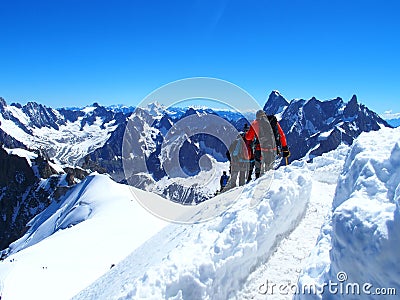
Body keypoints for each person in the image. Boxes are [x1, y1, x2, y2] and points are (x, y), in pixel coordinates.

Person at [245, 110, 290, 178]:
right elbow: (282, 135)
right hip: (272, 149)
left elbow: (248, 137)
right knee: (269, 169)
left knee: (258, 167)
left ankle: (257, 181)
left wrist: (247, 133)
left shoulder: (255, 123)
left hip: (259, 149)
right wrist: (285, 148)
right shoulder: (273, 122)